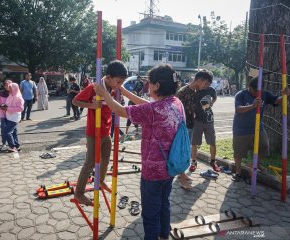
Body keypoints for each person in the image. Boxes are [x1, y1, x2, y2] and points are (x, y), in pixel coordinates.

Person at [94, 64, 183, 240]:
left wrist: (104, 94)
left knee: (150, 214)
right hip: (171, 167)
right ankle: (164, 236)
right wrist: (123, 91)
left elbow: (119, 110)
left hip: (153, 172)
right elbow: (147, 106)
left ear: (157, 85)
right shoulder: (174, 103)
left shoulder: (154, 109)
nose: (147, 86)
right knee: (164, 205)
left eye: (149, 83)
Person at [72, 60, 127, 206]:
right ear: (108, 77)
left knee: (106, 159)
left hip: (106, 131)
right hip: (93, 131)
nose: (119, 85)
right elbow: (75, 101)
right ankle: (79, 193)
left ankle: (101, 180)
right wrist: (91, 105)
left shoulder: (114, 89)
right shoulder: (94, 87)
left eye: (121, 82)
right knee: (90, 162)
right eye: (118, 81)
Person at [232, 77, 290, 181]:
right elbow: (238, 109)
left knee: (264, 145)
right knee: (238, 152)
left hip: (258, 127)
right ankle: (238, 171)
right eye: (255, 91)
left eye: (260, 90)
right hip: (241, 129)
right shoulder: (241, 94)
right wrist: (253, 105)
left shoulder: (264, 94)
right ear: (249, 87)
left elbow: (277, 101)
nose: (257, 93)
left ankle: (256, 164)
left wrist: (285, 95)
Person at [176, 69, 214, 188]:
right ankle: (182, 179)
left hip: (191, 124)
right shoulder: (183, 92)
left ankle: (181, 174)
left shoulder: (197, 91)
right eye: (205, 83)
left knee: (186, 151)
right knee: (182, 152)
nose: (206, 86)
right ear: (200, 80)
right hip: (182, 127)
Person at [189, 70, 220, 173]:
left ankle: (213, 161)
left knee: (212, 142)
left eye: (208, 84)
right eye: (205, 83)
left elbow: (215, 98)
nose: (206, 85)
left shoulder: (211, 90)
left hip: (209, 120)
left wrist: (210, 105)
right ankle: (193, 162)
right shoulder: (195, 90)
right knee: (194, 143)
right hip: (197, 120)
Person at [1, 83, 24, 152]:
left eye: (10, 88)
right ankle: (17, 146)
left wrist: (7, 108)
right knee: (13, 132)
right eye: (9, 88)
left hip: (14, 117)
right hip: (9, 116)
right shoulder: (11, 95)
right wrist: (4, 106)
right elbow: (8, 104)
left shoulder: (18, 97)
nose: (9, 89)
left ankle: (12, 146)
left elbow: (20, 108)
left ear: (15, 89)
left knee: (7, 131)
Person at [0, 79, 12, 151]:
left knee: (11, 130)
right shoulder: (1, 93)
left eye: (9, 84)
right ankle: (4, 143)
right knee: (3, 130)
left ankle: (11, 144)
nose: (7, 86)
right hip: (3, 114)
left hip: (11, 115)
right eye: (6, 84)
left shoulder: (13, 93)